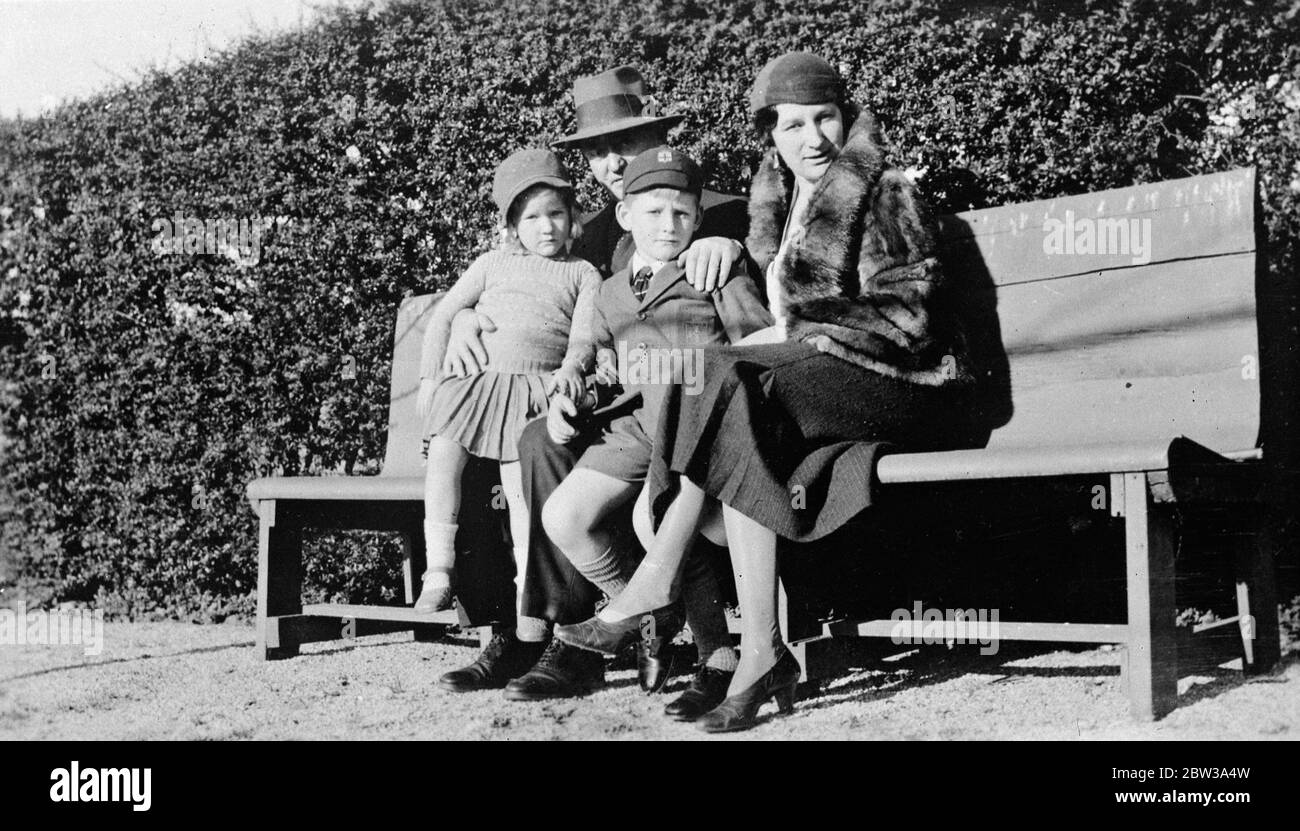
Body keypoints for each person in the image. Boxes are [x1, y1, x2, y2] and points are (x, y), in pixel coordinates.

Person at [556, 52, 975, 731]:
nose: (813, 138)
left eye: (826, 117)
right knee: (734, 411)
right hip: (818, 384)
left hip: (908, 384)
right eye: (792, 125)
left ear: (848, 117)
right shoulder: (779, 206)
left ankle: (656, 580)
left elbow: (912, 317)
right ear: (770, 135)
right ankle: (759, 653)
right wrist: (768, 332)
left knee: (728, 377)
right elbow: (763, 313)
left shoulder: (884, 188)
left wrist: (794, 337)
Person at [438, 67, 761, 699]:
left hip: (691, 405)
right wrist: (468, 315)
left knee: (550, 453)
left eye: (625, 144)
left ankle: (587, 638)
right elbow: (524, 285)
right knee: (527, 441)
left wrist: (725, 245)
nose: (610, 161)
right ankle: (553, 630)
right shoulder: (593, 233)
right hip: (610, 397)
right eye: (595, 151)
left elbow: (747, 295)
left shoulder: (711, 213)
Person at [540, 148, 772, 696]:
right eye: (653, 212)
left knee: (655, 517)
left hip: (698, 431)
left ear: (697, 217)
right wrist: (572, 396)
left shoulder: (713, 268)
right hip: (637, 428)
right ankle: (649, 612)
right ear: (624, 216)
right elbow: (604, 365)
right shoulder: (612, 289)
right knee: (564, 517)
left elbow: (758, 345)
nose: (669, 226)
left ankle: (716, 654)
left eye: (682, 214)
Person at [413, 148, 600, 663]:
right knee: (444, 459)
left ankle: (527, 607)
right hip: (475, 384)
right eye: (532, 217)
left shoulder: (584, 273)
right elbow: (445, 314)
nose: (546, 227)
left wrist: (570, 369)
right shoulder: (492, 264)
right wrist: (430, 379)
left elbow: (584, 337)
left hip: (531, 390)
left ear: (573, 218)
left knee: (522, 499)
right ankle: (439, 568)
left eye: (556, 214)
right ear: (512, 225)